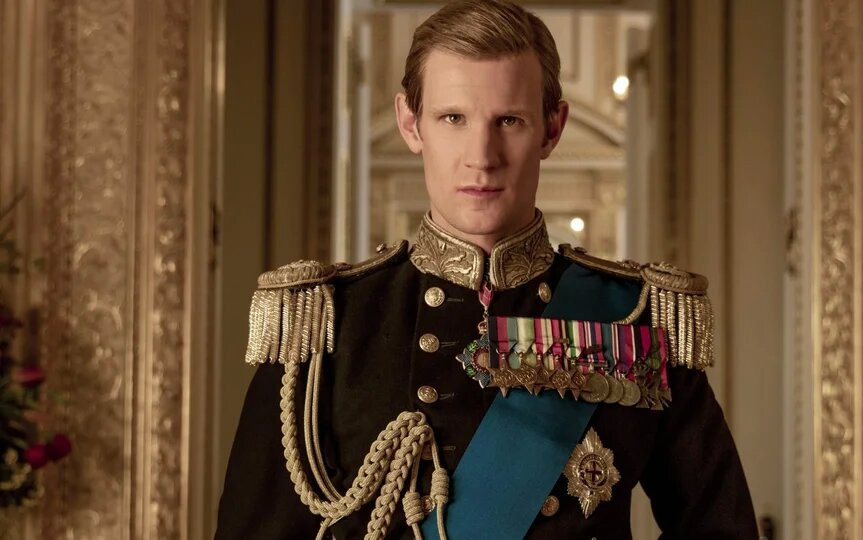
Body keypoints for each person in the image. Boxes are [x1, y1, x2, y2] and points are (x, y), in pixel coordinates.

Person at [215, 1, 757, 539]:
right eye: (453, 118)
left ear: (552, 128)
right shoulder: (325, 325)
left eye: (509, 121)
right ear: (410, 123)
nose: (482, 155)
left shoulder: (635, 319)